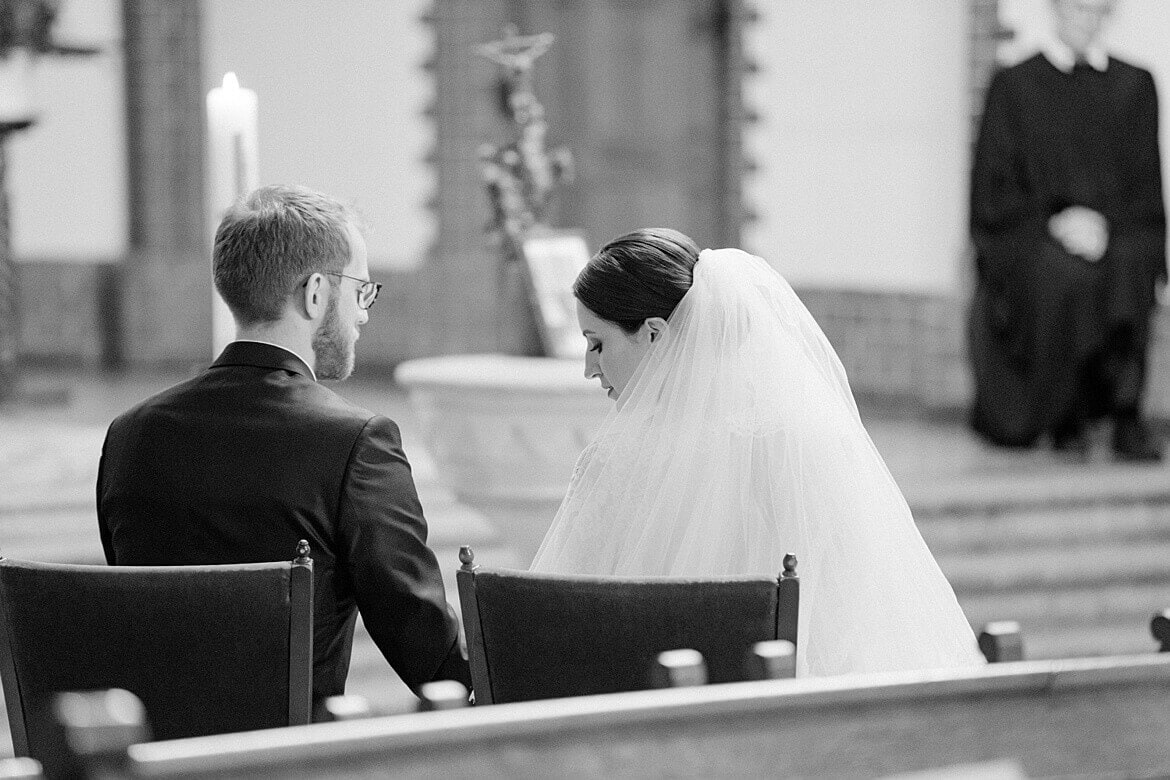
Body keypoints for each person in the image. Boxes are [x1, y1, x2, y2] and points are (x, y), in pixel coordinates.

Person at [530, 228, 986, 677]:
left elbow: (566, 628)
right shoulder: (802, 439)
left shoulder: (618, 462)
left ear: (653, 334)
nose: (589, 368)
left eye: (596, 344)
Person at [97, 184, 471, 705]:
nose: (364, 313)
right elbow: (427, 647)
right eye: (360, 290)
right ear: (316, 292)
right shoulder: (356, 444)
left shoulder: (129, 436)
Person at [968, 0, 1165, 461]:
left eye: (1095, 9)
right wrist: (1058, 221)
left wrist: (1105, 228)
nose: (1084, 18)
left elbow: (1146, 188)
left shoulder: (1134, 86)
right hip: (1038, 230)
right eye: (1077, 7)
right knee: (1064, 273)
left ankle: (1123, 412)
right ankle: (1065, 414)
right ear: (1056, 9)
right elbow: (993, 193)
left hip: (1114, 230)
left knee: (1132, 260)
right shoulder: (1015, 86)